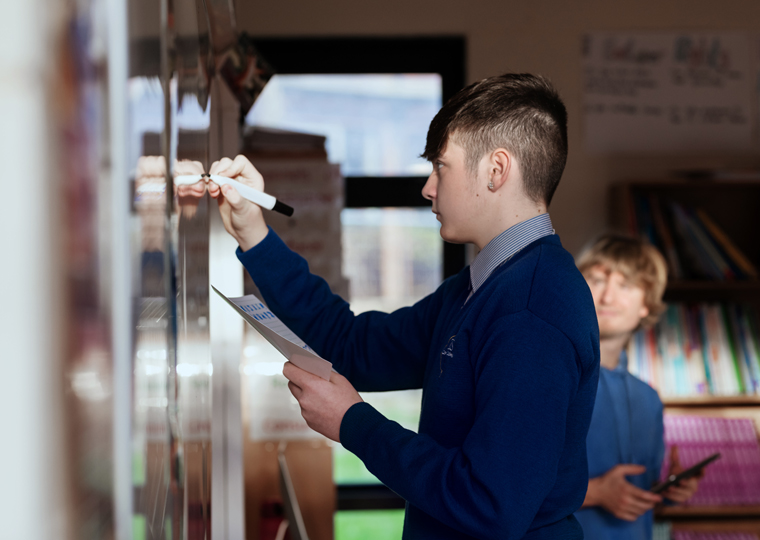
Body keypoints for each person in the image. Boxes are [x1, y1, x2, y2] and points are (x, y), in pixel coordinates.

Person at [209, 73, 600, 539]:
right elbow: (352, 345)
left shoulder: (533, 310)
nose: (428, 188)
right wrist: (253, 231)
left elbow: (491, 504)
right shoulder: (478, 287)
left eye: (442, 166)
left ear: (497, 170)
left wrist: (353, 424)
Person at [574, 234, 701, 540]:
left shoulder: (649, 398)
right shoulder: (552, 380)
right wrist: (596, 493)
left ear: (646, 304)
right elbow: (511, 485)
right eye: (596, 280)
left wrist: (669, 489)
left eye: (625, 285)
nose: (607, 298)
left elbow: (639, 492)